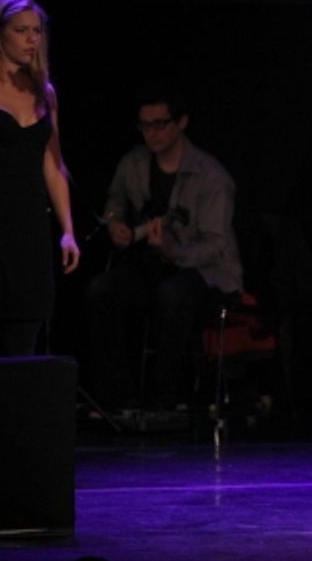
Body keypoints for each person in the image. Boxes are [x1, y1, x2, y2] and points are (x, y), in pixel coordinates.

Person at [83, 87, 242, 411]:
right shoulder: (134, 163)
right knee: (101, 291)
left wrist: (173, 252)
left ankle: (165, 399)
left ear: (181, 122)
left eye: (160, 124)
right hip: (155, 268)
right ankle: (121, 398)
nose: (151, 134)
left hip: (207, 276)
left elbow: (216, 246)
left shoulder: (210, 176)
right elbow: (114, 202)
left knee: (173, 294)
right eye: (145, 125)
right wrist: (115, 224)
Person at [0, 0, 80, 356]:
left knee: (24, 331)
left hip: (28, 226)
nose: (32, 39)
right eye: (21, 30)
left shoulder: (45, 92)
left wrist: (68, 232)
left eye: (37, 30)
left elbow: (53, 164)